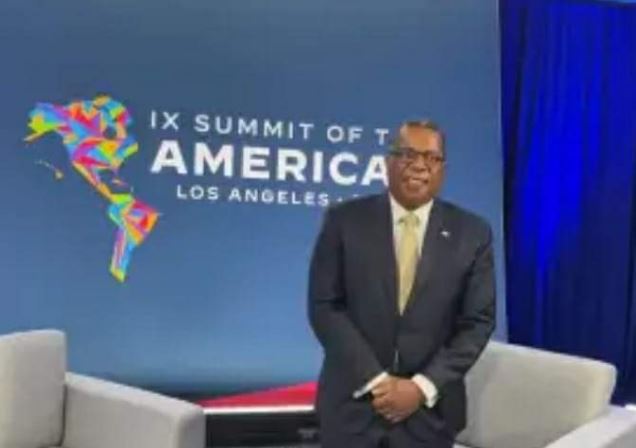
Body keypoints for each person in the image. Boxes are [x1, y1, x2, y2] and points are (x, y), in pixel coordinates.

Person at [308, 120, 496, 448]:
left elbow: (478, 322)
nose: (420, 166)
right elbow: (325, 306)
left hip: (430, 416)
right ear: (388, 162)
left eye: (432, 158)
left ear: (443, 169)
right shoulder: (344, 221)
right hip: (352, 408)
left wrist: (420, 388)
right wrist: (377, 381)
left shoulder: (473, 233)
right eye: (409, 155)